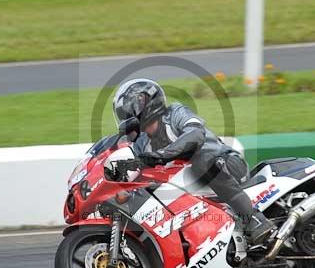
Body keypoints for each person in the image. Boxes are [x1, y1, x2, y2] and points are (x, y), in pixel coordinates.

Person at [112, 79, 276, 244]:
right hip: (194, 185)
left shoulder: (175, 113)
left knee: (202, 163)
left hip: (227, 165)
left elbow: (195, 135)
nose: (126, 119)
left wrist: (164, 154)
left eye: (127, 112)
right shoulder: (141, 144)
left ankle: (254, 218)